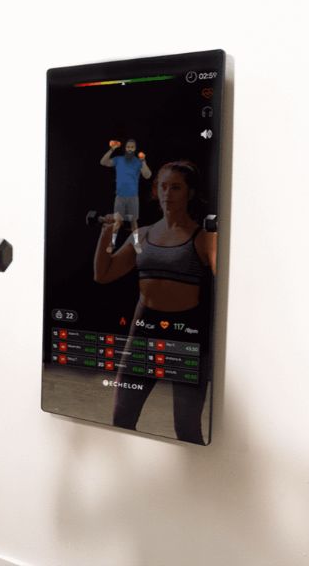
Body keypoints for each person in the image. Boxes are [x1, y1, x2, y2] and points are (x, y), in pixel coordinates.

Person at [93, 160, 216, 443]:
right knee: (121, 419)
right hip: (143, 334)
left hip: (186, 339)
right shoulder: (143, 235)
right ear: (154, 191)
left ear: (190, 193)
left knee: (186, 429)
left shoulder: (201, 238)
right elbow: (104, 274)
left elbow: (228, 278)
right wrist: (105, 234)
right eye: (163, 186)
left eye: (176, 187)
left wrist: (217, 236)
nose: (167, 193)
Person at [99, 139, 152, 254]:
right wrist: (112, 149)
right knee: (117, 222)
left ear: (135, 149)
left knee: (133, 222)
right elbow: (103, 162)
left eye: (132, 147)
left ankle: (137, 244)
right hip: (120, 197)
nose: (130, 149)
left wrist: (143, 162)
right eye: (128, 147)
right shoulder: (119, 160)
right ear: (125, 148)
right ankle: (112, 244)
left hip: (133, 197)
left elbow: (147, 175)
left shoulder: (138, 162)